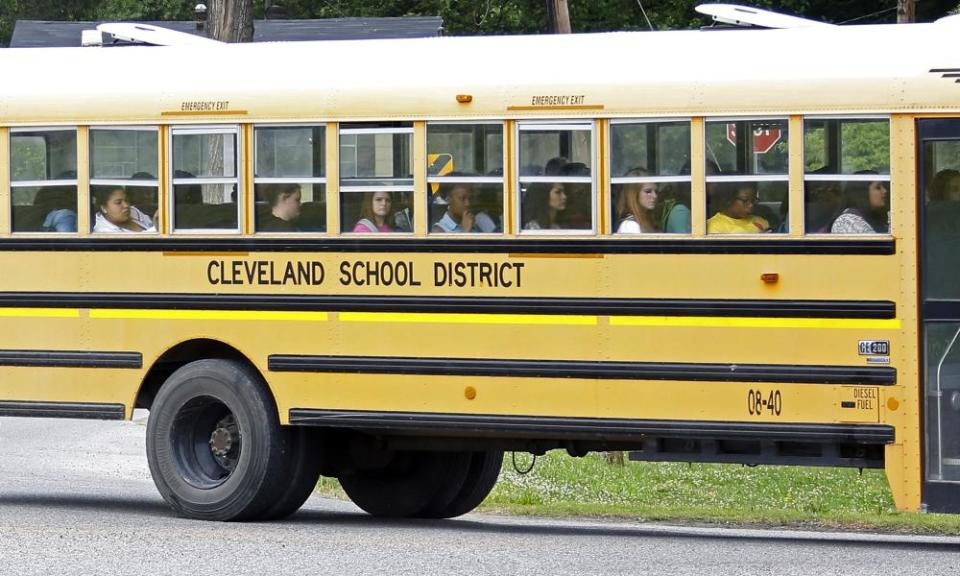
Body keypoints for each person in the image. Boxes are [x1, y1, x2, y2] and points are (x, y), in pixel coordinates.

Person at [432, 176, 496, 233]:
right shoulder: (439, 231)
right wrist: (466, 231)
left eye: (470, 198)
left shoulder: (476, 224)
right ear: (448, 199)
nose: (468, 204)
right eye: (462, 199)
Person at [615, 168, 660, 233]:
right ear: (634, 194)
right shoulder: (630, 226)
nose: (655, 196)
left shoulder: (648, 220)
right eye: (648, 191)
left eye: (656, 191)